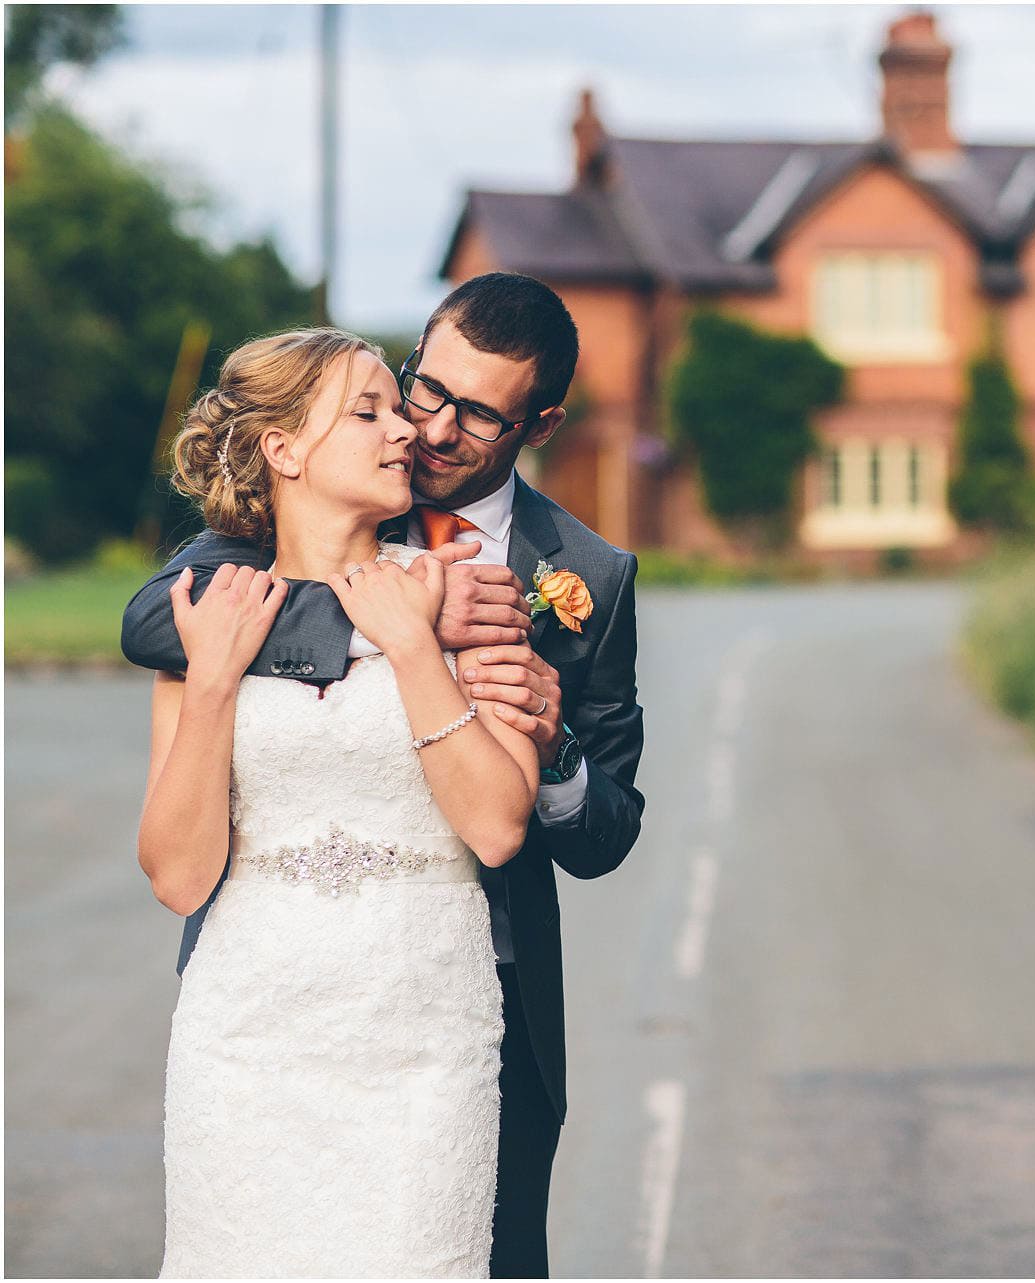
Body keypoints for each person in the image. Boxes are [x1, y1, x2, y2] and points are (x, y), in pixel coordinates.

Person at [123, 273, 647, 1277]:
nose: (428, 428)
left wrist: (554, 743)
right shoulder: (238, 565)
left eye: (478, 413)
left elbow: (598, 827)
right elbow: (159, 620)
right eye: (418, 390)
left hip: (460, 994)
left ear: (538, 423)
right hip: (258, 1002)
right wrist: (383, 620)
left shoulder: (574, 575)